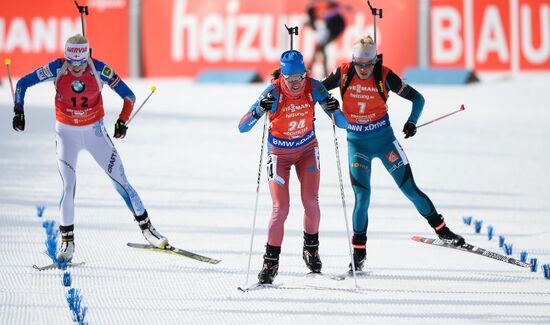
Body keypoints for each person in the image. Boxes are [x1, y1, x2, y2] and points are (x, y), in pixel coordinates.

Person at [12, 34, 168, 261]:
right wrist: (19, 110)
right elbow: (22, 83)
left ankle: (148, 229)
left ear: (88, 56)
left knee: (121, 181)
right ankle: (67, 242)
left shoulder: (100, 69)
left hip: (95, 133)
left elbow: (129, 96)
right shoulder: (57, 67)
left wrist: (122, 120)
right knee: (68, 186)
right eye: (71, 62)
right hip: (66, 133)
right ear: (66, 57)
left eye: (81, 63)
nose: (76, 69)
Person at [322, 36, 465, 272]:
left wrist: (412, 122)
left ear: (375, 62)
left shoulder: (385, 75)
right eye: (360, 64)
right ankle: (359, 252)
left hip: (385, 141)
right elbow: (315, 89)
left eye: (368, 65)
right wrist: (294, 88)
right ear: (353, 61)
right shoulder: (343, 73)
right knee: (363, 198)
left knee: (410, 189)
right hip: (357, 145)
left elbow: (418, 98)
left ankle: (442, 230)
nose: (364, 69)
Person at [239, 50, 348, 284]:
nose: (297, 84)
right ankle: (270, 262)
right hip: (279, 154)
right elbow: (243, 126)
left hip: (307, 151)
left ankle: (311, 249)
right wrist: (260, 109)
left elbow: (343, 124)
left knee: (311, 202)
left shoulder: (314, 87)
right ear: (283, 77)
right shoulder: (273, 91)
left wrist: (333, 107)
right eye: (291, 79)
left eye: (301, 77)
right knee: (281, 209)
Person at [305, 0, 347, 77]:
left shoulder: (329, 8)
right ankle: (319, 71)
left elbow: (338, 12)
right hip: (327, 30)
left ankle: (312, 71)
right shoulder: (316, 8)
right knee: (320, 49)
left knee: (319, 48)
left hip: (330, 30)